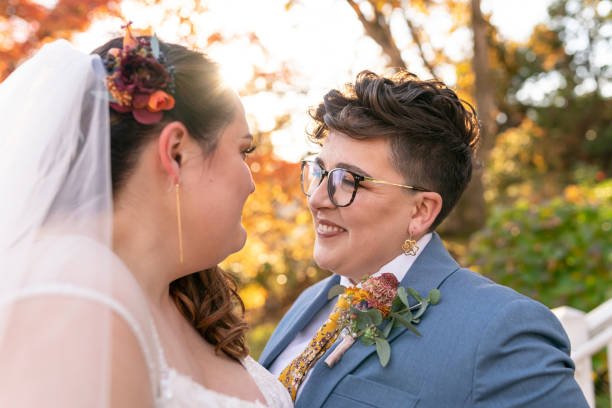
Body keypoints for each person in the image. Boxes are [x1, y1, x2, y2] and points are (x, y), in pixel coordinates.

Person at [0, 25, 292, 407]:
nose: (251, 183)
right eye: (244, 150)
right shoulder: (70, 304)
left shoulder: (194, 304)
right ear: (175, 153)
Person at [259, 70, 588, 407]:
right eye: (320, 172)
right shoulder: (310, 302)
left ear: (420, 211)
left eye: (348, 180)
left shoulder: (500, 332)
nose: (316, 199)